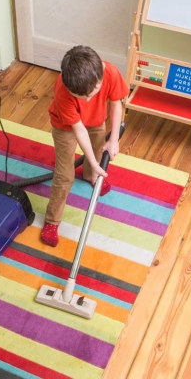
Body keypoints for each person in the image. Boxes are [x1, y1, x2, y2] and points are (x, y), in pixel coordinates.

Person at [41, 45, 129, 247]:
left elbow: (116, 103)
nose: (89, 99)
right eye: (82, 97)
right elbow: (79, 130)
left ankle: (91, 174)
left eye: (93, 92)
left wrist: (114, 138)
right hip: (65, 127)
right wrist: (93, 161)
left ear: (101, 75)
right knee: (64, 175)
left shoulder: (111, 72)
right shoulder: (63, 91)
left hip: (97, 121)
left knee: (99, 150)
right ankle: (52, 221)